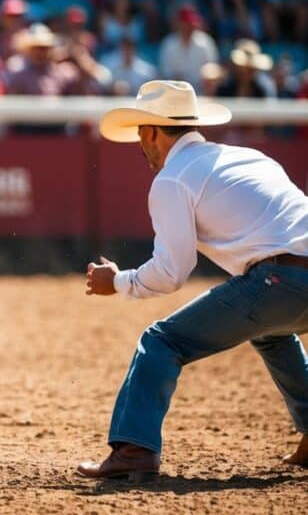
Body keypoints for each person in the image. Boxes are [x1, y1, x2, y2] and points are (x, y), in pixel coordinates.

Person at [79, 79, 308, 479]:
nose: (140, 144)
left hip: (278, 280)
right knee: (271, 332)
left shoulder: (172, 179)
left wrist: (116, 281)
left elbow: (171, 272)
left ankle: (134, 450)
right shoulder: (251, 158)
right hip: (288, 277)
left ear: (150, 131)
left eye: (140, 133)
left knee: (161, 340)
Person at [158, 4, 218, 91]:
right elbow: (165, 73)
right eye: (186, 24)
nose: (190, 28)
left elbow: (213, 68)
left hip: (202, 92)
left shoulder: (205, 42)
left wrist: (209, 75)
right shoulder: (169, 44)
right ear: (179, 24)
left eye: (191, 24)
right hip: (175, 93)